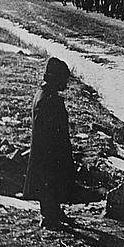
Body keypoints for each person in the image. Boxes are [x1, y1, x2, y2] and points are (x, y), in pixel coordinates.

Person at [23, 57, 76, 229]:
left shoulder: (47, 96)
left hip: (52, 152)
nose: (66, 84)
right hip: (48, 153)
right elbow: (48, 133)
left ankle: (55, 212)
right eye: (63, 80)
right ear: (54, 78)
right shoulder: (47, 100)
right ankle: (49, 218)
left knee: (55, 183)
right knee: (49, 183)